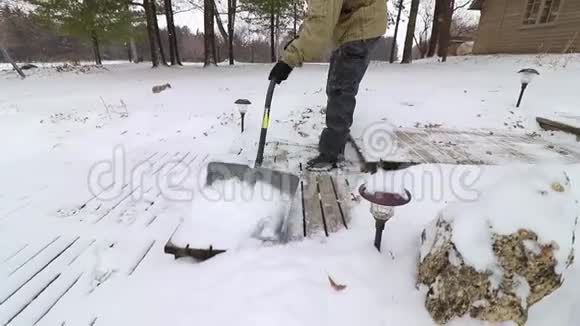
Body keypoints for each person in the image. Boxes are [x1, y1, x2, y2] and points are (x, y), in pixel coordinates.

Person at [268, 0, 387, 171]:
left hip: (360, 26)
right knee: (338, 85)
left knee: (340, 89)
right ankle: (337, 140)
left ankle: (332, 153)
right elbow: (316, 18)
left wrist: (289, 60)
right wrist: (299, 41)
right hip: (357, 22)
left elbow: (320, 25)